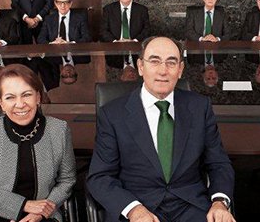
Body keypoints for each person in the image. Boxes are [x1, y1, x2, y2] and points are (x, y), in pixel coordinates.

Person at [88, 36, 236, 222]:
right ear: (141, 66)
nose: (163, 71)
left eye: (171, 63)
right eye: (155, 61)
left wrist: (220, 202)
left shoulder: (200, 107)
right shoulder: (112, 114)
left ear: (180, 70)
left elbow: (219, 164)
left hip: (191, 207)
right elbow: (100, 177)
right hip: (139, 208)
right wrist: (134, 210)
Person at [0, 64, 76, 222]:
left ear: (38, 97)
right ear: (1, 103)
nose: (20, 104)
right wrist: (25, 205)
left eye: (26, 95)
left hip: (41, 215)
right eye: (10, 97)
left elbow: (67, 180)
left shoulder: (59, 130)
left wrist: (41, 211)